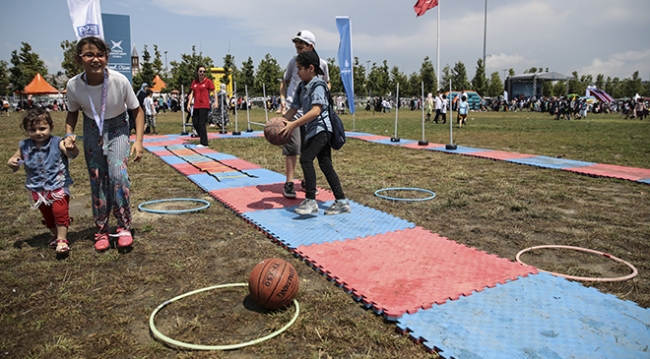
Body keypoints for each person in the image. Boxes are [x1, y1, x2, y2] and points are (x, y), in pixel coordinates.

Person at [63, 36, 145, 252]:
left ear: (107, 58)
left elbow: (137, 112)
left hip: (118, 126)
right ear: (79, 59)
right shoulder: (73, 85)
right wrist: (68, 135)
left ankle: (124, 226)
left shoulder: (119, 81)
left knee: (118, 175)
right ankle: (101, 229)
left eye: (100, 55)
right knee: (98, 178)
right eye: (89, 54)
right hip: (92, 127)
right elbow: (71, 114)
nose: (95, 59)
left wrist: (138, 141)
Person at [279, 50, 350, 216]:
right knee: (325, 164)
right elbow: (293, 109)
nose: (297, 72)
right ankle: (342, 202)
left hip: (322, 130)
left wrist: (293, 125)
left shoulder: (318, 85)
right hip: (313, 130)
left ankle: (310, 201)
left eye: (300, 68)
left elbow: (315, 111)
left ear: (311, 68)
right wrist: (280, 123)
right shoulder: (302, 86)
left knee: (305, 158)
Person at [7, 108, 79, 255]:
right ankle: (55, 234)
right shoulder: (24, 146)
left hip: (58, 187)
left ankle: (62, 240)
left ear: (50, 127)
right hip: (38, 190)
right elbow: (14, 158)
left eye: (42, 128)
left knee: (60, 213)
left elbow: (71, 154)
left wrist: (72, 147)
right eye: (32, 129)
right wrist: (13, 161)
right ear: (26, 130)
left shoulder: (57, 142)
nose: (38, 132)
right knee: (48, 217)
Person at [278, 30, 330, 198]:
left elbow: (327, 82)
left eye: (301, 48)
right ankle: (289, 183)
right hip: (294, 110)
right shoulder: (293, 62)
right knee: (292, 148)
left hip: (310, 115)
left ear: (310, 46)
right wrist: (283, 100)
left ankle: (308, 181)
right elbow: (284, 81)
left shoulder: (322, 64)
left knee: (308, 150)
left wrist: (322, 98)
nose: (297, 51)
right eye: (296, 48)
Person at [187, 65, 215, 147]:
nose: (202, 73)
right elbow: (192, 93)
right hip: (196, 105)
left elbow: (214, 91)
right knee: (195, 123)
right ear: (197, 72)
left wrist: (215, 101)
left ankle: (204, 142)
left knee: (201, 123)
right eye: (200, 71)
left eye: (204, 71)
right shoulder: (194, 82)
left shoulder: (208, 81)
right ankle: (203, 136)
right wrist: (189, 103)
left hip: (204, 105)